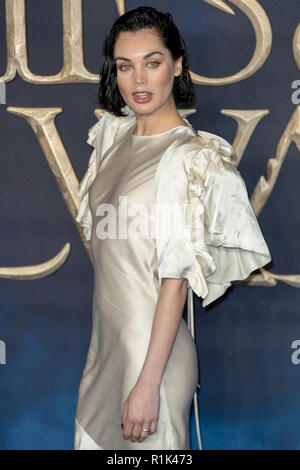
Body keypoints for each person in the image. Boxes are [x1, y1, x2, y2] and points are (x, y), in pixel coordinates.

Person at [74, 6, 272, 450]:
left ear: (177, 65)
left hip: (154, 366)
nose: (139, 80)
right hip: (103, 356)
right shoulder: (111, 137)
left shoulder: (189, 159)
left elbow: (175, 282)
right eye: (126, 66)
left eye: (153, 62)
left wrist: (147, 385)